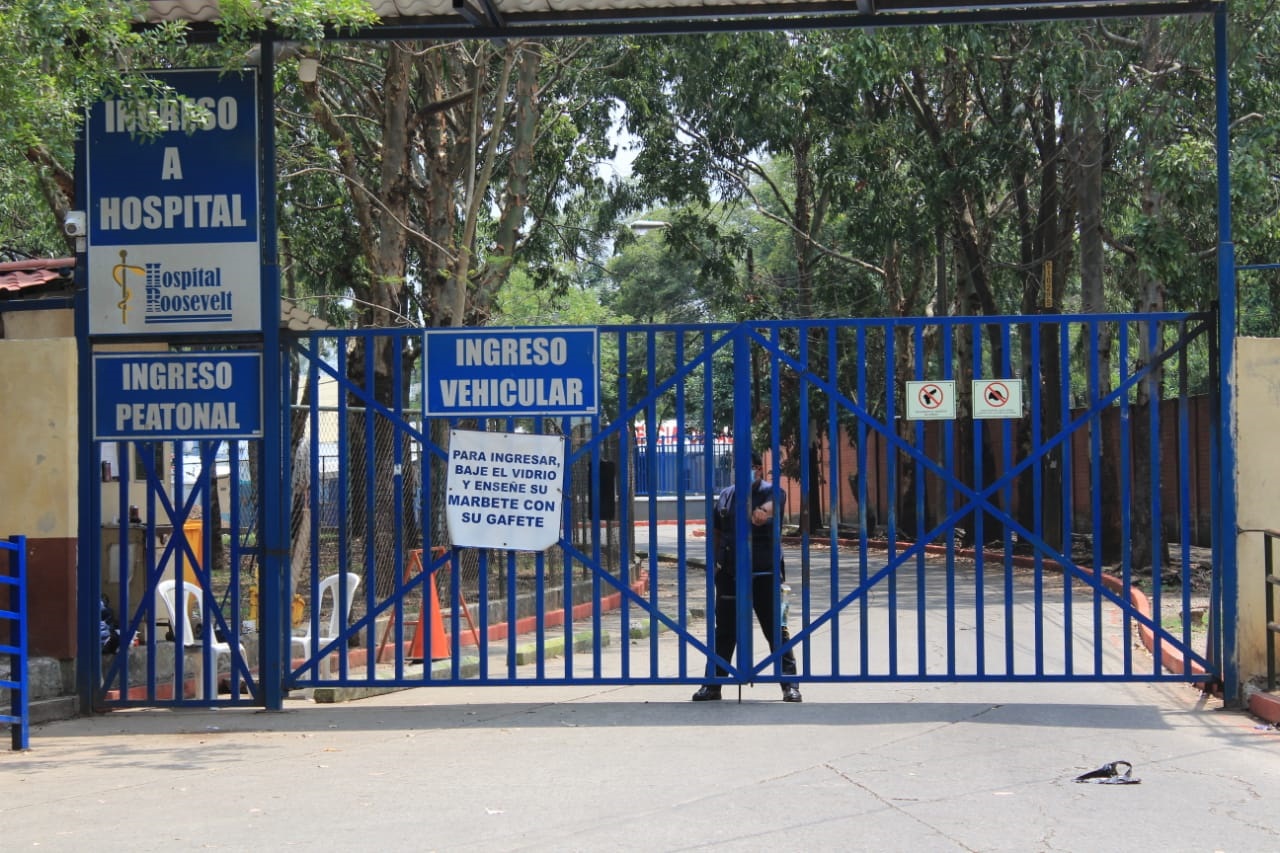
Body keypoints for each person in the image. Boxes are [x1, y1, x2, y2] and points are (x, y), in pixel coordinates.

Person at [693, 451, 802, 702]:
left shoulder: (770, 491)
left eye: (751, 467)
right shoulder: (726, 495)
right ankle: (713, 684)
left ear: (759, 469)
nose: (746, 472)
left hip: (764, 572)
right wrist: (715, 566)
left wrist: (764, 510)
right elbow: (717, 532)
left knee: (775, 629)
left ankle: (790, 684)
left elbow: (778, 501)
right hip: (730, 572)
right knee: (725, 631)